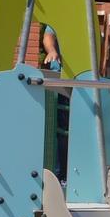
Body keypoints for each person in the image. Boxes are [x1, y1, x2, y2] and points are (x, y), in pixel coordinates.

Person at [43, 25, 70, 184]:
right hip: (61, 78)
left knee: (70, 129)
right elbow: (48, 35)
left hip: (81, 78)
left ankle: (67, 173)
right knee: (61, 129)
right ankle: (60, 173)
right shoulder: (64, 12)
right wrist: (52, 51)